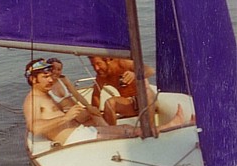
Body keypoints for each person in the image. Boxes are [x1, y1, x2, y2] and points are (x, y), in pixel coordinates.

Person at [23, 58, 188, 145]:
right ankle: (170, 126)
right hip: (75, 139)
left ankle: (164, 128)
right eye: (45, 77)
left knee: (125, 128)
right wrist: (66, 118)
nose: (51, 80)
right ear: (33, 79)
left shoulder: (45, 95)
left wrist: (79, 114)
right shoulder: (32, 100)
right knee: (127, 131)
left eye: (51, 76)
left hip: (79, 133)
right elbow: (34, 127)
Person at [89, 56, 156, 127]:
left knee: (147, 92)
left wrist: (136, 75)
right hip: (130, 105)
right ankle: (112, 132)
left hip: (146, 100)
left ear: (107, 60)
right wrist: (96, 114)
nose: (96, 68)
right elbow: (96, 95)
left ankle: (150, 128)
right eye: (93, 65)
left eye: (98, 64)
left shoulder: (123, 63)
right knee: (110, 103)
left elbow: (150, 70)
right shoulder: (102, 76)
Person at [46, 57, 106, 126]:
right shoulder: (46, 87)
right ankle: (109, 130)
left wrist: (88, 106)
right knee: (95, 117)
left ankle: (108, 130)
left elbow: (77, 95)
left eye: (59, 69)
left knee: (95, 112)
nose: (56, 72)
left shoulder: (63, 79)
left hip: (77, 110)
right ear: (48, 69)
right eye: (53, 69)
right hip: (67, 115)